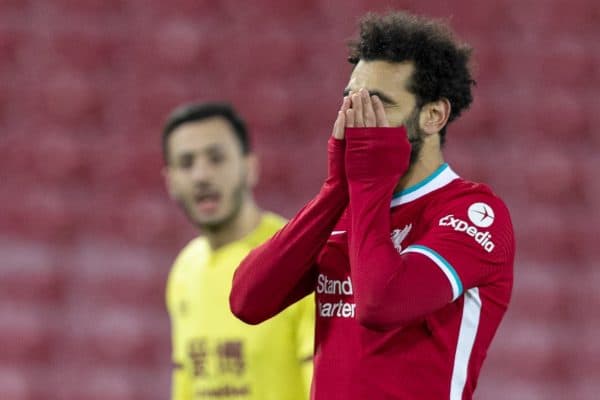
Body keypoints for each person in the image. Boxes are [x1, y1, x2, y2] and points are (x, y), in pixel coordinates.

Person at [230, 11, 514, 400]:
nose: (357, 122)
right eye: (351, 103)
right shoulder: (348, 206)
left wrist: (365, 182)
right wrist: (334, 191)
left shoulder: (472, 212)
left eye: (378, 106)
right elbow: (248, 300)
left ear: (433, 115)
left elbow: (382, 303)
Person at [162, 102, 314, 400]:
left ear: (250, 167)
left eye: (216, 158)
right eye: (186, 162)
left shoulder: (297, 259)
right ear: (170, 181)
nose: (201, 175)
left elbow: (325, 385)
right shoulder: (184, 270)